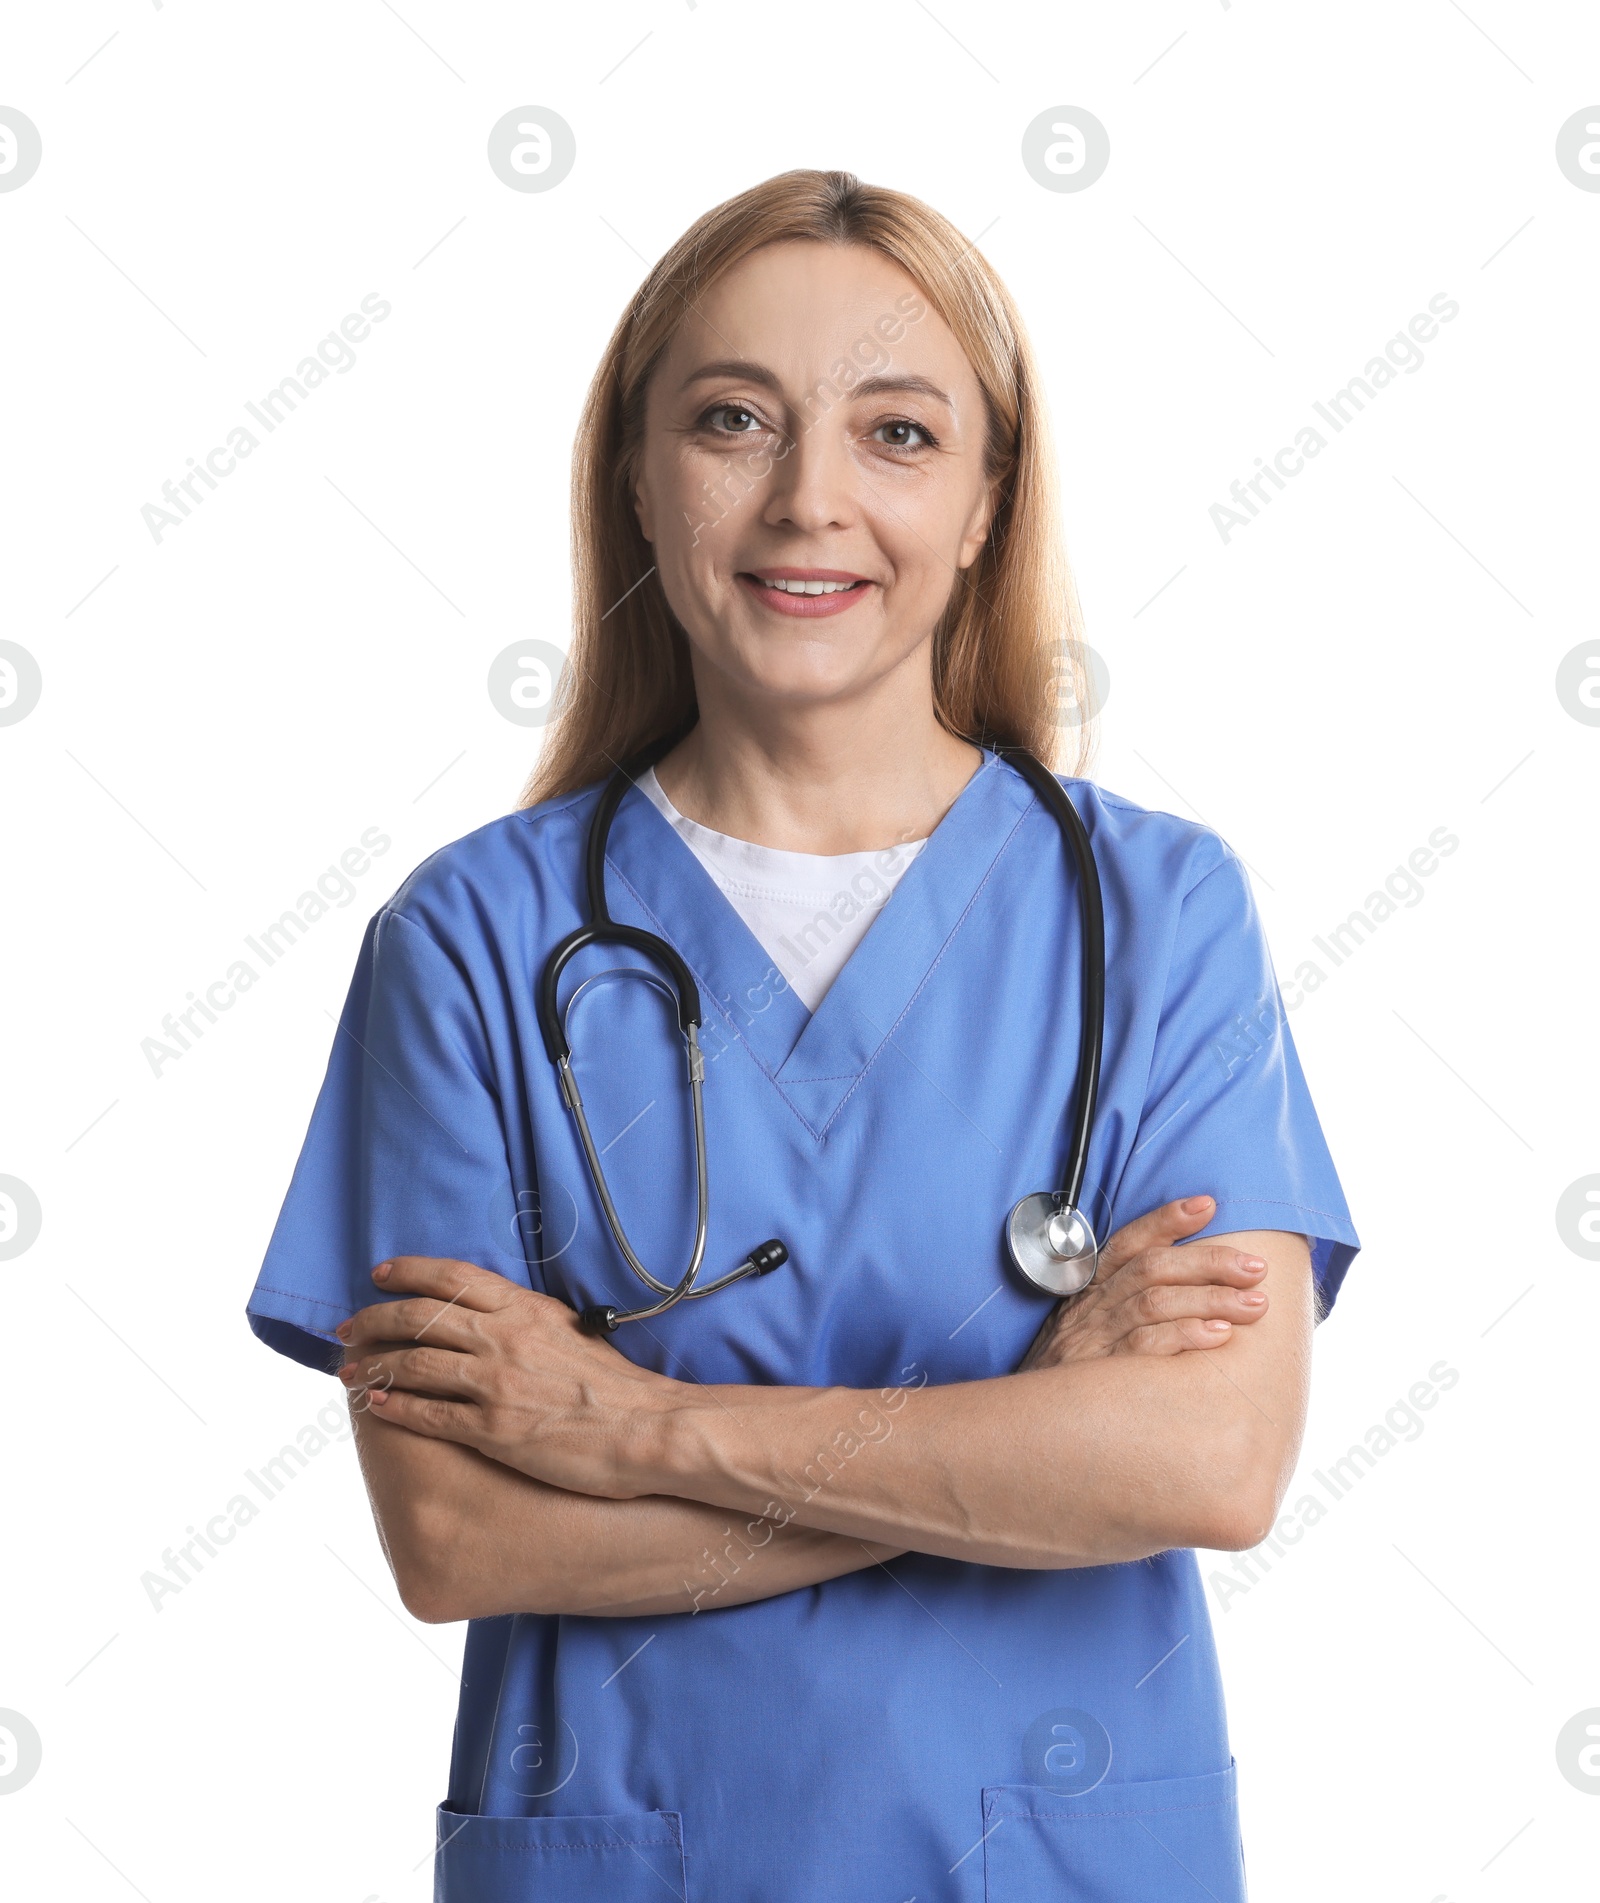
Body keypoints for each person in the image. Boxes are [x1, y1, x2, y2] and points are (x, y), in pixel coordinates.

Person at [247, 169, 1359, 1901]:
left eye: (899, 434)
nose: (808, 501)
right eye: (732, 421)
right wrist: (1016, 1437)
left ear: (992, 499)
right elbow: (458, 1535)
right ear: (637, 475)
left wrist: (633, 1430)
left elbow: (1205, 1461)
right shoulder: (470, 942)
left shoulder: (1154, 913)